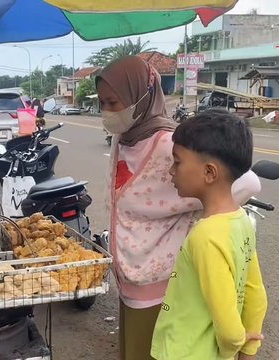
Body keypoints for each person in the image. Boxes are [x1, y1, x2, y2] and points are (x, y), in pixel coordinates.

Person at [95, 56, 261, 360]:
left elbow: (244, 182)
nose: (107, 111)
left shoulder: (169, 144)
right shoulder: (125, 137)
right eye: (102, 102)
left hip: (161, 283)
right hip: (130, 277)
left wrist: (207, 211)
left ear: (141, 96)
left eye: (114, 102)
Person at [151, 109, 267, 360]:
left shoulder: (205, 236)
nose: (171, 170)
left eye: (178, 161)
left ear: (209, 173)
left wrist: (231, 349)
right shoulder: (242, 221)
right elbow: (255, 293)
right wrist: (248, 350)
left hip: (185, 352)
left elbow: (228, 326)